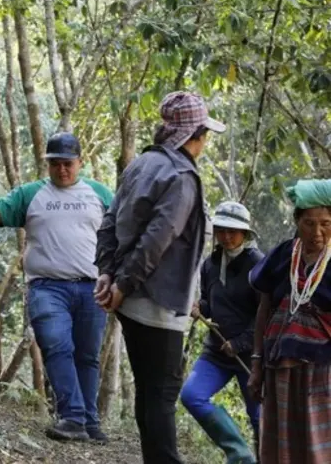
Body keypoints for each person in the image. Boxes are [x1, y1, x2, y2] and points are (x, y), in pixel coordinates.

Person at [94, 91, 226, 463]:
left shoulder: (141, 164)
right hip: (159, 302)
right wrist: (121, 282)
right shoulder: (182, 176)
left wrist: (108, 274)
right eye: (204, 134)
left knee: (148, 391)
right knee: (163, 393)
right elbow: (158, 240)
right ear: (191, 135)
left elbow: (109, 220)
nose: (204, 143)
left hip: (130, 299)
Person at [0, 132, 113, 443]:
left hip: (91, 286)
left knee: (87, 356)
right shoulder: (32, 193)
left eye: (68, 163)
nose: (62, 170)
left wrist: (118, 278)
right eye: (55, 164)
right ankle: (73, 416)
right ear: (47, 164)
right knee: (55, 344)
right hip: (47, 287)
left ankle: (89, 421)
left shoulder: (99, 193)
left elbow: (121, 231)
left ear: (80, 162)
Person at [248, 188, 331, 464]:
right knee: (282, 447)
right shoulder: (284, 255)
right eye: (309, 223)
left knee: (319, 447)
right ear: (296, 221)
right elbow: (264, 308)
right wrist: (257, 364)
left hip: (323, 373)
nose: (317, 232)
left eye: (326, 224)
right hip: (279, 368)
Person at [180, 201, 262, 463]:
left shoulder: (258, 265)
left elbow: (266, 315)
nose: (226, 237)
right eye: (222, 230)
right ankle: (239, 453)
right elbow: (210, 301)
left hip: (252, 356)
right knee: (192, 395)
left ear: (245, 234)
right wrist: (198, 307)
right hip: (217, 351)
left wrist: (239, 343)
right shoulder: (210, 263)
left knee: (260, 417)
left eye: (233, 231)